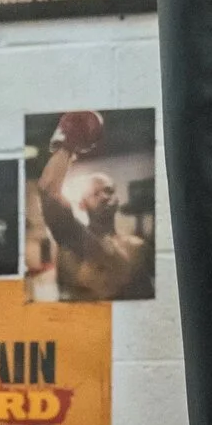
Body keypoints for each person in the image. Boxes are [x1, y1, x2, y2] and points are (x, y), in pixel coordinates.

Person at [33, 117, 150, 300]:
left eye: (109, 191)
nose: (104, 196)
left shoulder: (138, 247)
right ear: (81, 204)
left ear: (117, 199)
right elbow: (48, 192)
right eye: (95, 194)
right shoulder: (73, 243)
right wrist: (68, 143)